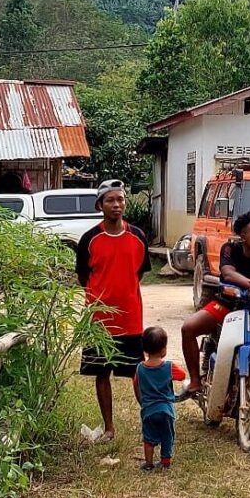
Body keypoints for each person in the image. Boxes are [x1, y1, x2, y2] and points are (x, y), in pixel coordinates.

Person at [178, 210, 250, 429]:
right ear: (242, 235)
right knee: (188, 328)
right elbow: (227, 273)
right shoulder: (230, 248)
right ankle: (194, 381)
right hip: (227, 305)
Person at [75, 179, 151, 442]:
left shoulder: (138, 236)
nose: (116, 204)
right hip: (99, 321)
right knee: (101, 372)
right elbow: (83, 277)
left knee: (138, 372)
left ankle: (150, 424)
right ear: (100, 205)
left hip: (130, 318)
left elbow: (139, 272)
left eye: (120, 199)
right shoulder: (89, 240)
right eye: (110, 200)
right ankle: (108, 428)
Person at [134, 326, 187, 471]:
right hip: (166, 411)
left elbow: (136, 384)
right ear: (164, 349)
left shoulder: (140, 368)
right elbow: (182, 375)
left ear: (145, 350)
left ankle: (149, 463)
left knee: (148, 438)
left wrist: (142, 402)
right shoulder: (169, 367)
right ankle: (165, 461)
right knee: (167, 436)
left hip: (149, 410)